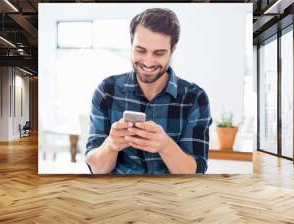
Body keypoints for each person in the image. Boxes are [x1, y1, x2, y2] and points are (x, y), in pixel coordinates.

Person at [85, 8, 212, 174]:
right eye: (140, 50)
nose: (148, 62)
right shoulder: (106, 91)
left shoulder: (195, 98)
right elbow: (96, 169)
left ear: (173, 50)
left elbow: (195, 173)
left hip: (170, 196)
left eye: (159, 53)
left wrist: (165, 146)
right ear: (131, 45)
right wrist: (111, 145)